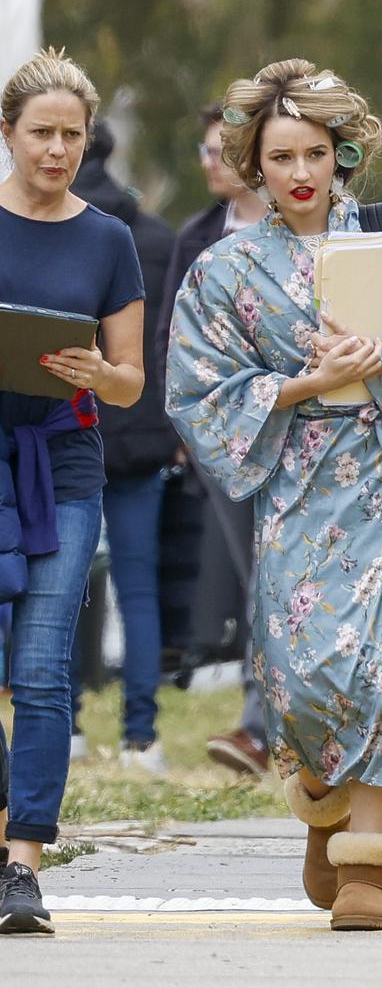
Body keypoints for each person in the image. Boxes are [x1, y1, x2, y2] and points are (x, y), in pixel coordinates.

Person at [166, 58, 382, 932]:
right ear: (251, 165)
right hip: (299, 481)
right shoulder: (225, 273)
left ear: (342, 151)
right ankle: (321, 794)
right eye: (279, 158)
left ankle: (366, 873)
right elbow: (195, 392)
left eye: (315, 152)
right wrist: (307, 382)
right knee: (307, 672)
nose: (300, 173)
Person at [0, 48, 144, 933]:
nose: (58, 150)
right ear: (6, 134)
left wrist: (97, 370)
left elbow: (131, 383)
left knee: (44, 669)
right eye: (42, 133)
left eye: (73, 135)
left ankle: (24, 864)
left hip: (64, 460)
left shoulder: (109, 238)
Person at [158, 102, 267, 775]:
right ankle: (260, 726)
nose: (211, 165)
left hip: (319, 430)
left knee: (295, 580)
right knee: (263, 578)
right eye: (204, 152)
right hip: (230, 439)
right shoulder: (196, 237)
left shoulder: (323, 228)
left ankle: (304, 726)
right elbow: (175, 343)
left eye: (222, 151)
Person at [69, 119, 176, 773]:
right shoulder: (157, 237)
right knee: (139, 588)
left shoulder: (54, 228)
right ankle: (142, 736)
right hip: (141, 431)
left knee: (65, 586)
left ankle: (71, 723)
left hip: (67, 430)